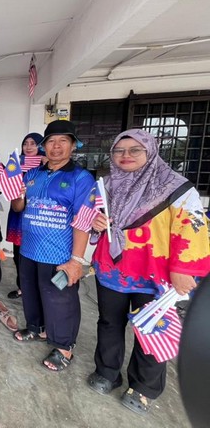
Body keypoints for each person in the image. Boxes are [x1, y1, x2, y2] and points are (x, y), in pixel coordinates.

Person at [87, 129, 210, 415]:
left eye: (135, 150)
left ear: (150, 151)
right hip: (112, 270)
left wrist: (183, 268)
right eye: (119, 151)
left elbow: (192, 227)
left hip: (155, 274)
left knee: (152, 329)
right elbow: (95, 220)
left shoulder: (176, 187)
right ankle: (107, 372)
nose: (125, 156)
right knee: (109, 323)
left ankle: (143, 387)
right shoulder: (107, 185)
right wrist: (96, 223)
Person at [10, 120, 94, 372]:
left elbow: (83, 220)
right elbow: (18, 207)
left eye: (63, 141)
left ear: (73, 145)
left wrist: (76, 261)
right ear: (44, 146)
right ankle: (37, 328)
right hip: (29, 248)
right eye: (51, 141)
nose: (56, 146)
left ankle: (64, 346)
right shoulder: (33, 174)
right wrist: (17, 192)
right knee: (31, 291)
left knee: (60, 300)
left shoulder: (81, 178)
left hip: (59, 253)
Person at [5, 132, 44, 299]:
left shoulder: (46, 166)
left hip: (38, 215)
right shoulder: (17, 164)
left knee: (37, 255)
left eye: (33, 143)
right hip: (18, 214)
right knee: (19, 255)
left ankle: (38, 290)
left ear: (41, 146)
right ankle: (22, 287)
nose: (28, 147)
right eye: (25, 143)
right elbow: (8, 185)